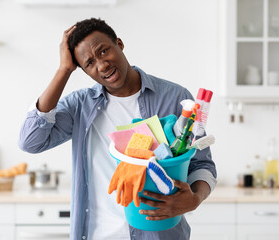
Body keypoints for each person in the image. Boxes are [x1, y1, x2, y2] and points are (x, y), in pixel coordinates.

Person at [19, 18, 217, 240]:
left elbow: (202, 164)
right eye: (89, 63)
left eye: (103, 51)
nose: (101, 65)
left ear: (119, 44)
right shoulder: (80, 106)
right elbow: (30, 141)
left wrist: (195, 198)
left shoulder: (175, 98)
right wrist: (64, 70)